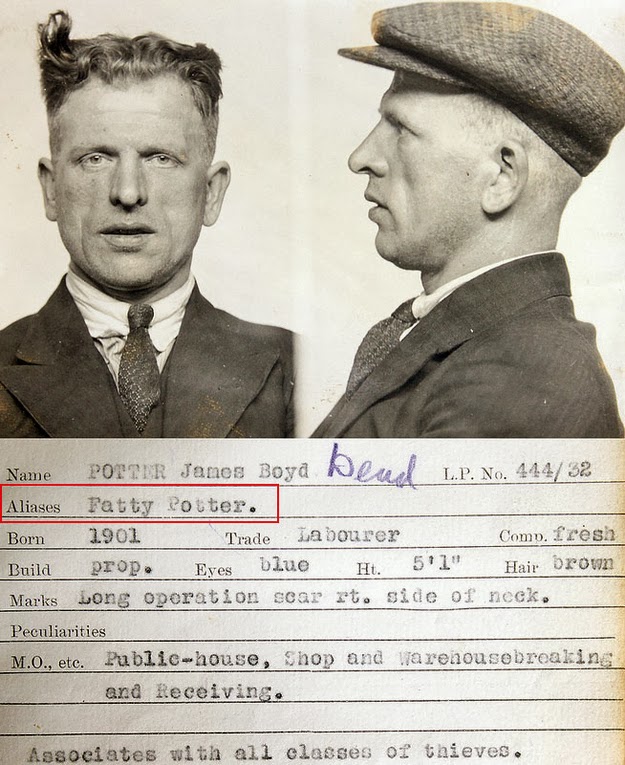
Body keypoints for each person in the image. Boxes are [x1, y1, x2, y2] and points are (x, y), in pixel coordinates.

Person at [313, 1, 624, 438]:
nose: (361, 158)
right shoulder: (489, 350)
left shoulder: (519, 381)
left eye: (401, 129)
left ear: (501, 176)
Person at [0, 10, 293, 438]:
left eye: (161, 158)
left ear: (211, 192)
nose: (128, 192)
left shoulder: (295, 369)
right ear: (51, 189)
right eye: (95, 158)